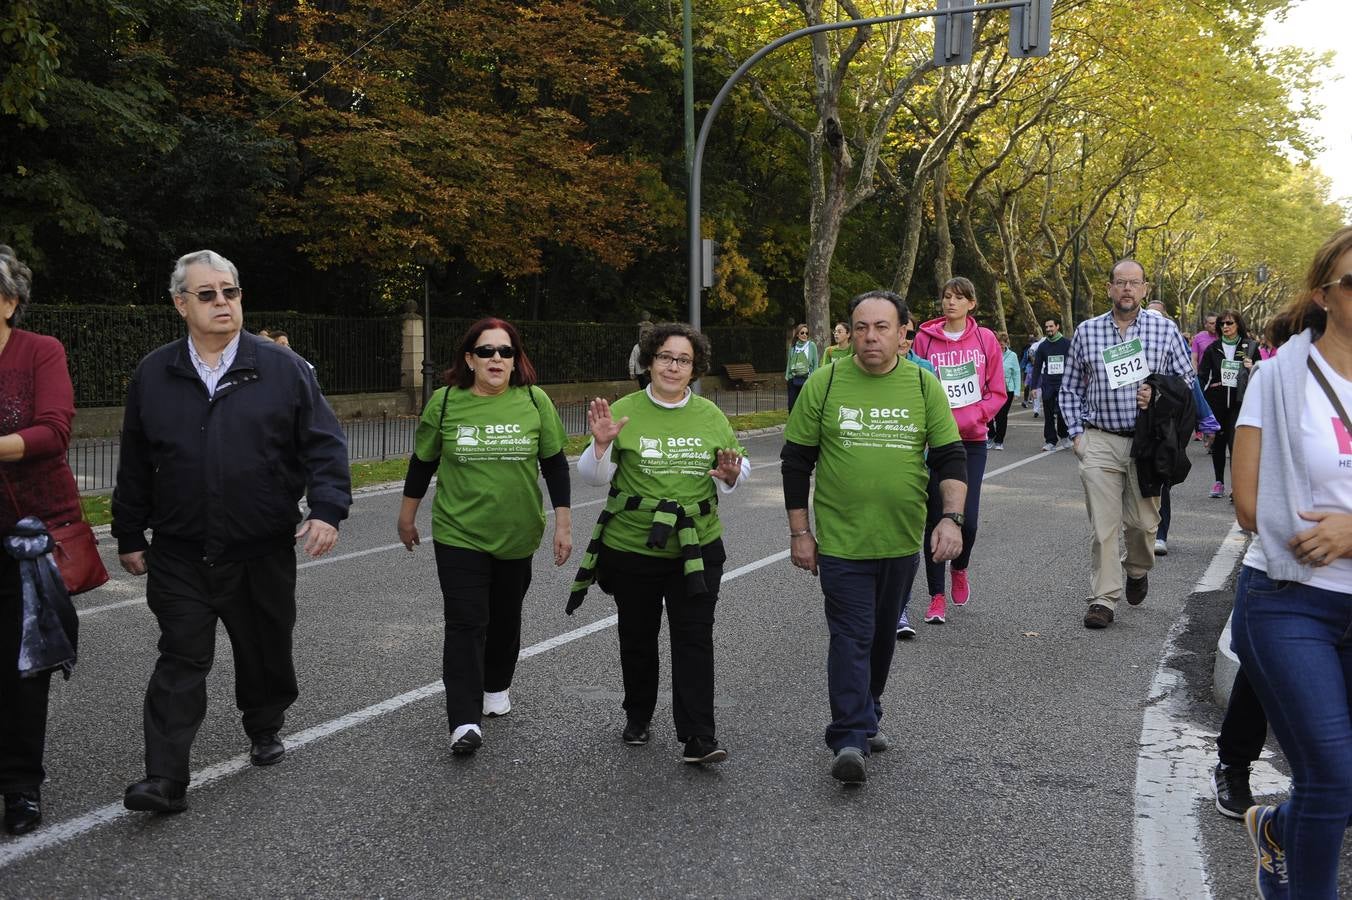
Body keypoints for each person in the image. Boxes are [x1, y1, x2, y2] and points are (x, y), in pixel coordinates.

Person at [112, 250, 352, 814]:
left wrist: (327, 510)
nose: (223, 302)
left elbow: (324, 445)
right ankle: (164, 779)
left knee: (264, 648)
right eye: (208, 294)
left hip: (260, 548)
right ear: (180, 304)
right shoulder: (154, 373)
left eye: (231, 292)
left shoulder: (283, 369)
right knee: (180, 657)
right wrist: (128, 533)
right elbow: (136, 460)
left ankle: (265, 722)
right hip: (180, 551)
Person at [781, 289, 965, 784]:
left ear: (904, 333)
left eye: (882, 327)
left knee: (882, 638)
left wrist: (951, 519)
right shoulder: (826, 381)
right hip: (841, 543)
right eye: (861, 327)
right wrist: (800, 531)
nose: (870, 337)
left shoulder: (924, 387)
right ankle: (848, 737)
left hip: (902, 541)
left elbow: (949, 456)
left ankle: (868, 709)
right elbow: (797, 460)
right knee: (851, 635)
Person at [1230, 225, 1352, 898]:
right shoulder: (1278, 379)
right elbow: (1249, 505)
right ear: (1323, 295)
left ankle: (1276, 831)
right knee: (1331, 777)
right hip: (1289, 597)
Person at [571, 322, 748, 764]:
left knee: (694, 637)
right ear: (649, 361)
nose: (673, 366)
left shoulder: (711, 415)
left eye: (683, 360)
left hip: (698, 547)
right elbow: (593, 478)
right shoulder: (625, 410)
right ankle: (638, 713)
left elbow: (736, 471)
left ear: (695, 368)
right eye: (665, 357)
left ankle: (698, 736)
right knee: (637, 633)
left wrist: (731, 476)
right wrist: (600, 445)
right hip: (633, 546)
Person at [397, 318, 571, 756]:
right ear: (469, 359)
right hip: (459, 533)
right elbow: (423, 461)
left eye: (505, 351)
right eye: (487, 351)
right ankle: (464, 720)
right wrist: (407, 516)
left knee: (505, 616)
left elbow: (554, 464)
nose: (497, 358)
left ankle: (496, 685)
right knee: (465, 622)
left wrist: (563, 524)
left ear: (516, 360)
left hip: (517, 533)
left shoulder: (534, 401)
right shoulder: (446, 402)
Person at [1059, 259, 1193, 629]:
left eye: (1134, 283)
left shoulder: (1165, 331)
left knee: (1144, 524)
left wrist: (1159, 393)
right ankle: (1103, 598)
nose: (1127, 290)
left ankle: (1137, 569)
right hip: (1099, 439)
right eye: (1120, 283)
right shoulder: (1087, 332)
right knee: (1103, 526)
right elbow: (1070, 387)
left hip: (1147, 443)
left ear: (1145, 289)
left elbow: (1186, 382)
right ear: (1109, 289)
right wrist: (1076, 435)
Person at [0, 245, 82, 835]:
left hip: (21, 537)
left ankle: (20, 786)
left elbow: (53, 432)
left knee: (22, 666)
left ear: (9, 301)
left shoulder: (39, 352)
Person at [910, 277, 1006, 624]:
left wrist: (974, 415)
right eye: (946, 296)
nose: (950, 302)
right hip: (935, 440)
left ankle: (960, 568)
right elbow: (913, 381)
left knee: (968, 519)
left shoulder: (985, 339)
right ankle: (936, 597)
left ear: (972, 304)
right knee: (936, 516)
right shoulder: (924, 340)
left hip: (971, 440)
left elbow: (997, 390)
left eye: (959, 297)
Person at [1198, 309, 1260, 499]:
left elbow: (1263, 373)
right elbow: (1202, 377)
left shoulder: (1249, 346)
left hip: (1239, 402)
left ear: (1238, 325)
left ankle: (1236, 487)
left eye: (1229, 323)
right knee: (1218, 443)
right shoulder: (1213, 348)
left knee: (1235, 444)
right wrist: (1201, 400)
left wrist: (1252, 367)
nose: (1225, 327)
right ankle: (1219, 482)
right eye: (1222, 324)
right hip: (1217, 402)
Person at [1032, 316, 1071, 451]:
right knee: (1048, 414)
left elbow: (1074, 363)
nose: (1048, 329)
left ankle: (1064, 435)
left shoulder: (1066, 344)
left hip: (1063, 383)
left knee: (1061, 412)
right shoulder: (1043, 346)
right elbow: (1037, 367)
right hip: (1048, 383)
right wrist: (1034, 387)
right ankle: (1050, 440)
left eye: (1051, 326)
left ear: (1057, 326)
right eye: (1046, 327)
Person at [990, 331, 1020, 451]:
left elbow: (1016, 373)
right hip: (992, 388)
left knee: (1002, 416)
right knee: (989, 415)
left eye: (1002, 344)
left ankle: (999, 441)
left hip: (1008, 389)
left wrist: (1017, 391)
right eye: (998, 344)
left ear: (1006, 343)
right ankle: (991, 435)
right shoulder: (991, 354)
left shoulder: (1012, 356)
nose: (1000, 347)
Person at [785, 323, 819, 411]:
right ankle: (792, 423)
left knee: (805, 405)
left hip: (807, 379)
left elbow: (815, 363)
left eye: (806, 333)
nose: (804, 335)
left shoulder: (811, 346)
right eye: (802, 333)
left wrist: (813, 378)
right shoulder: (793, 347)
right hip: (793, 379)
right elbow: (789, 362)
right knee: (791, 405)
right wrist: (788, 376)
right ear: (797, 334)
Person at [627, 321, 652, 389]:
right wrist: (631, 372)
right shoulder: (636, 347)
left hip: (648, 371)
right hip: (640, 372)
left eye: (647, 337)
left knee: (646, 388)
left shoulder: (651, 347)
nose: (645, 338)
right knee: (643, 388)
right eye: (644, 337)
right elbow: (632, 359)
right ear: (641, 337)